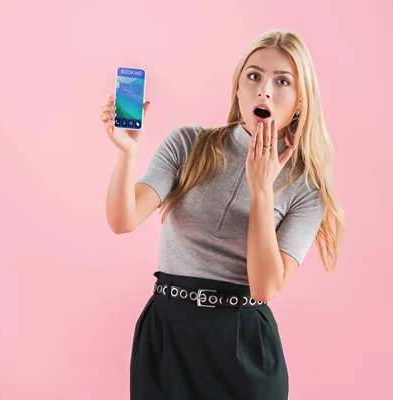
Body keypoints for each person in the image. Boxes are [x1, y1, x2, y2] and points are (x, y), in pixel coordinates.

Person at [102, 29, 345, 400]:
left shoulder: (306, 188)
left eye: (282, 81)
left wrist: (262, 189)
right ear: (238, 88)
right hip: (167, 336)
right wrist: (126, 152)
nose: (265, 89)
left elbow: (265, 287)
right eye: (254, 76)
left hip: (242, 346)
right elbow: (124, 220)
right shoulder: (188, 144)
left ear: (299, 101)